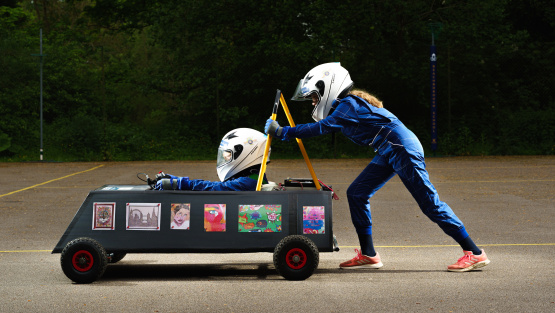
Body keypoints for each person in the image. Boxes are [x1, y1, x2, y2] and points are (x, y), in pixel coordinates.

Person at [265, 62, 490, 272]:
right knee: (357, 193)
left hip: (401, 148)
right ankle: (369, 254)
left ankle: (475, 252)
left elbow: (322, 128)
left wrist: (284, 132)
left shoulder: (347, 106)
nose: (313, 103)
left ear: (329, 88)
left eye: (314, 97)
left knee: (430, 204)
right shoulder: (348, 106)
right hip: (389, 149)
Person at [155, 128, 271, 191]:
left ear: (247, 154)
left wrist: (182, 183)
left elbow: (216, 187)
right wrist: (177, 180)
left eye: (228, 155)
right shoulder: (254, 177)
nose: (225, 158)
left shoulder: (249, 183)